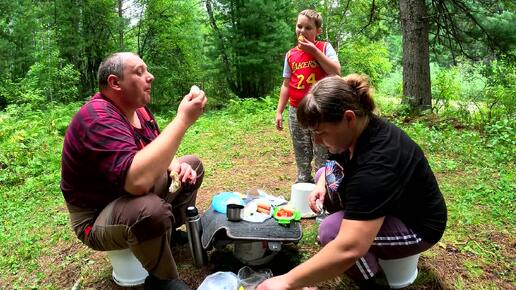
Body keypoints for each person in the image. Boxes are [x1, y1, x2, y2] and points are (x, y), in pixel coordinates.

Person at [258, 75, 447, 290]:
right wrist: (321, 185)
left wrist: (286, 281)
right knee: (322, 174)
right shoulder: (354, 132)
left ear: (348, 118)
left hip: (417, 226)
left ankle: (374, 283)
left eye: (320, 133)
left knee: (332, 233)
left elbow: (349, 248)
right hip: (387, 203)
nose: (317, 141)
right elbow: (333, 164)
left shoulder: (377, 164)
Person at [60, 52, 207, 290]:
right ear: (114, 83)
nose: (150, 76)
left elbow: (155, 147)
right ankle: (162, 280)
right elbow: (136, 182)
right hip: (96, 216)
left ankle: (168, 236)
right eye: (139, 72)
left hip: (124, 194)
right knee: (148, 210)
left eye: (147, 70)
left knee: (193, 165)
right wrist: (182, 120)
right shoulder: (97, 117)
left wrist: (177, 165)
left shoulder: (139, 111)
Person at [275, 9, 341, 183]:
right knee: (301, 153)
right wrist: (279, 111)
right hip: (296, 110)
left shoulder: (324, 48)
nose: (302, 31)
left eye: (308, 28)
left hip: (321, 110)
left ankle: (327, 190)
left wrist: (314, 52)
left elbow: (336, 71)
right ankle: (303, 184)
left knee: (324, 153)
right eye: (299, 26)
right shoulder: (291, 54)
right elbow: (286, 85)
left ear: (317, 31)